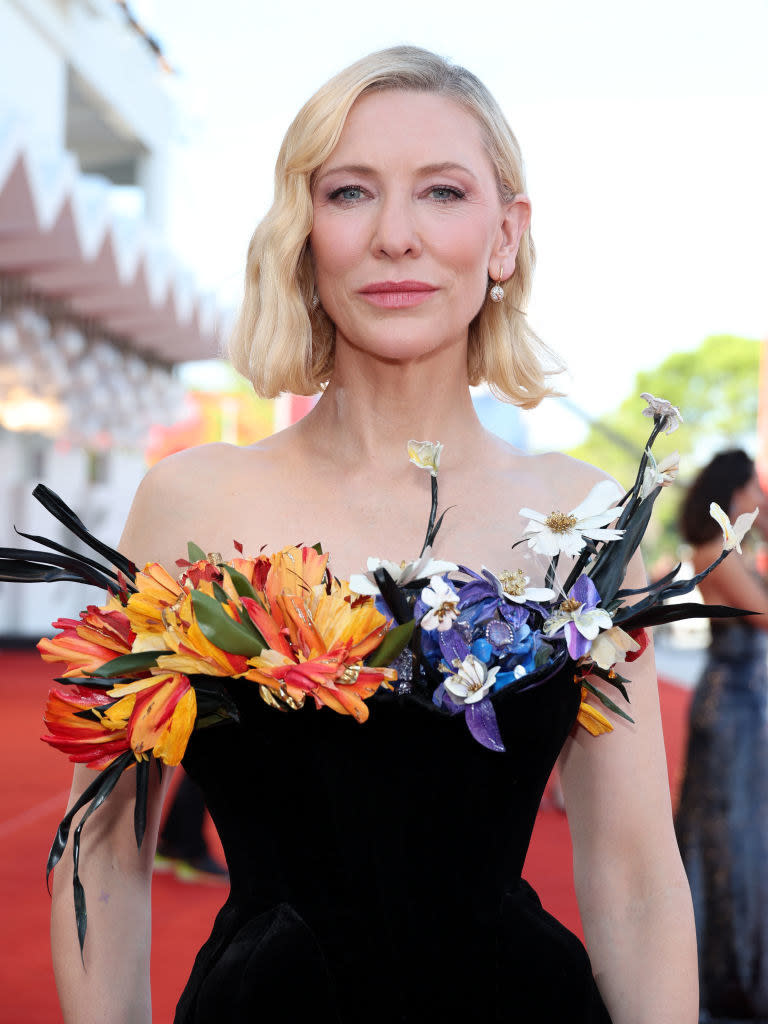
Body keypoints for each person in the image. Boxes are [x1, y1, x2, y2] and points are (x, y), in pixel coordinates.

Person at [49, 46, 697, 1023]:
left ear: (506, 235)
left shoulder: (588, 521)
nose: (396, 235)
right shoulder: (189, 505)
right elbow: (99, 846)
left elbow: (637, 875)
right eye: (351, 192)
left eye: (442, 192)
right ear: (305, 231)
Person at [675, 450, 768, 1022]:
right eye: (755, 487)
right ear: (736, 493)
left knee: (741, 827)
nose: (760, 496)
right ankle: (723, 972)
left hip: (744, 700)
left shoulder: (730, 550)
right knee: (725, 832)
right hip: (729, 704)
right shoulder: (717, 552)